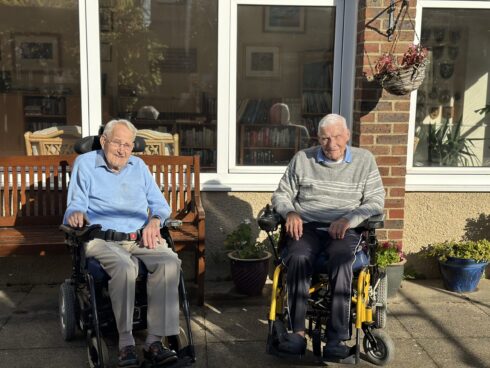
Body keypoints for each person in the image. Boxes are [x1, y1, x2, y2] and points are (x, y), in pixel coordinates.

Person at [63, 119, 180, 368]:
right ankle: (126, 342)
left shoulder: (139, 167)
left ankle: (154, 341)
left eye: (128, 145)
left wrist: (155, 221)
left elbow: (161, 206)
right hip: (101, 239)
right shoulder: (85, 164)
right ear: (104, 141)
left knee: (170, 261)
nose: (122, 149)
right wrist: (76, 214)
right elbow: (75, 204)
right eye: (117, 142)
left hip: (138, 237)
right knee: (125, 267)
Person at [271, 113, 385, 359]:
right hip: (307, 226)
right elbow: (281, 194)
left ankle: (336, 338)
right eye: (324, 138)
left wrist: (348, 219)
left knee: (342, 259)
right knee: (298, 256)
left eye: (336, 137)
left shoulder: (365, 160)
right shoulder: (302, 159)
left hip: (346, 228)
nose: (331, 144)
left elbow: (376, 201)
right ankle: (297, 333)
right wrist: (290, 211)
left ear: (347, 136)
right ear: (317, 138)